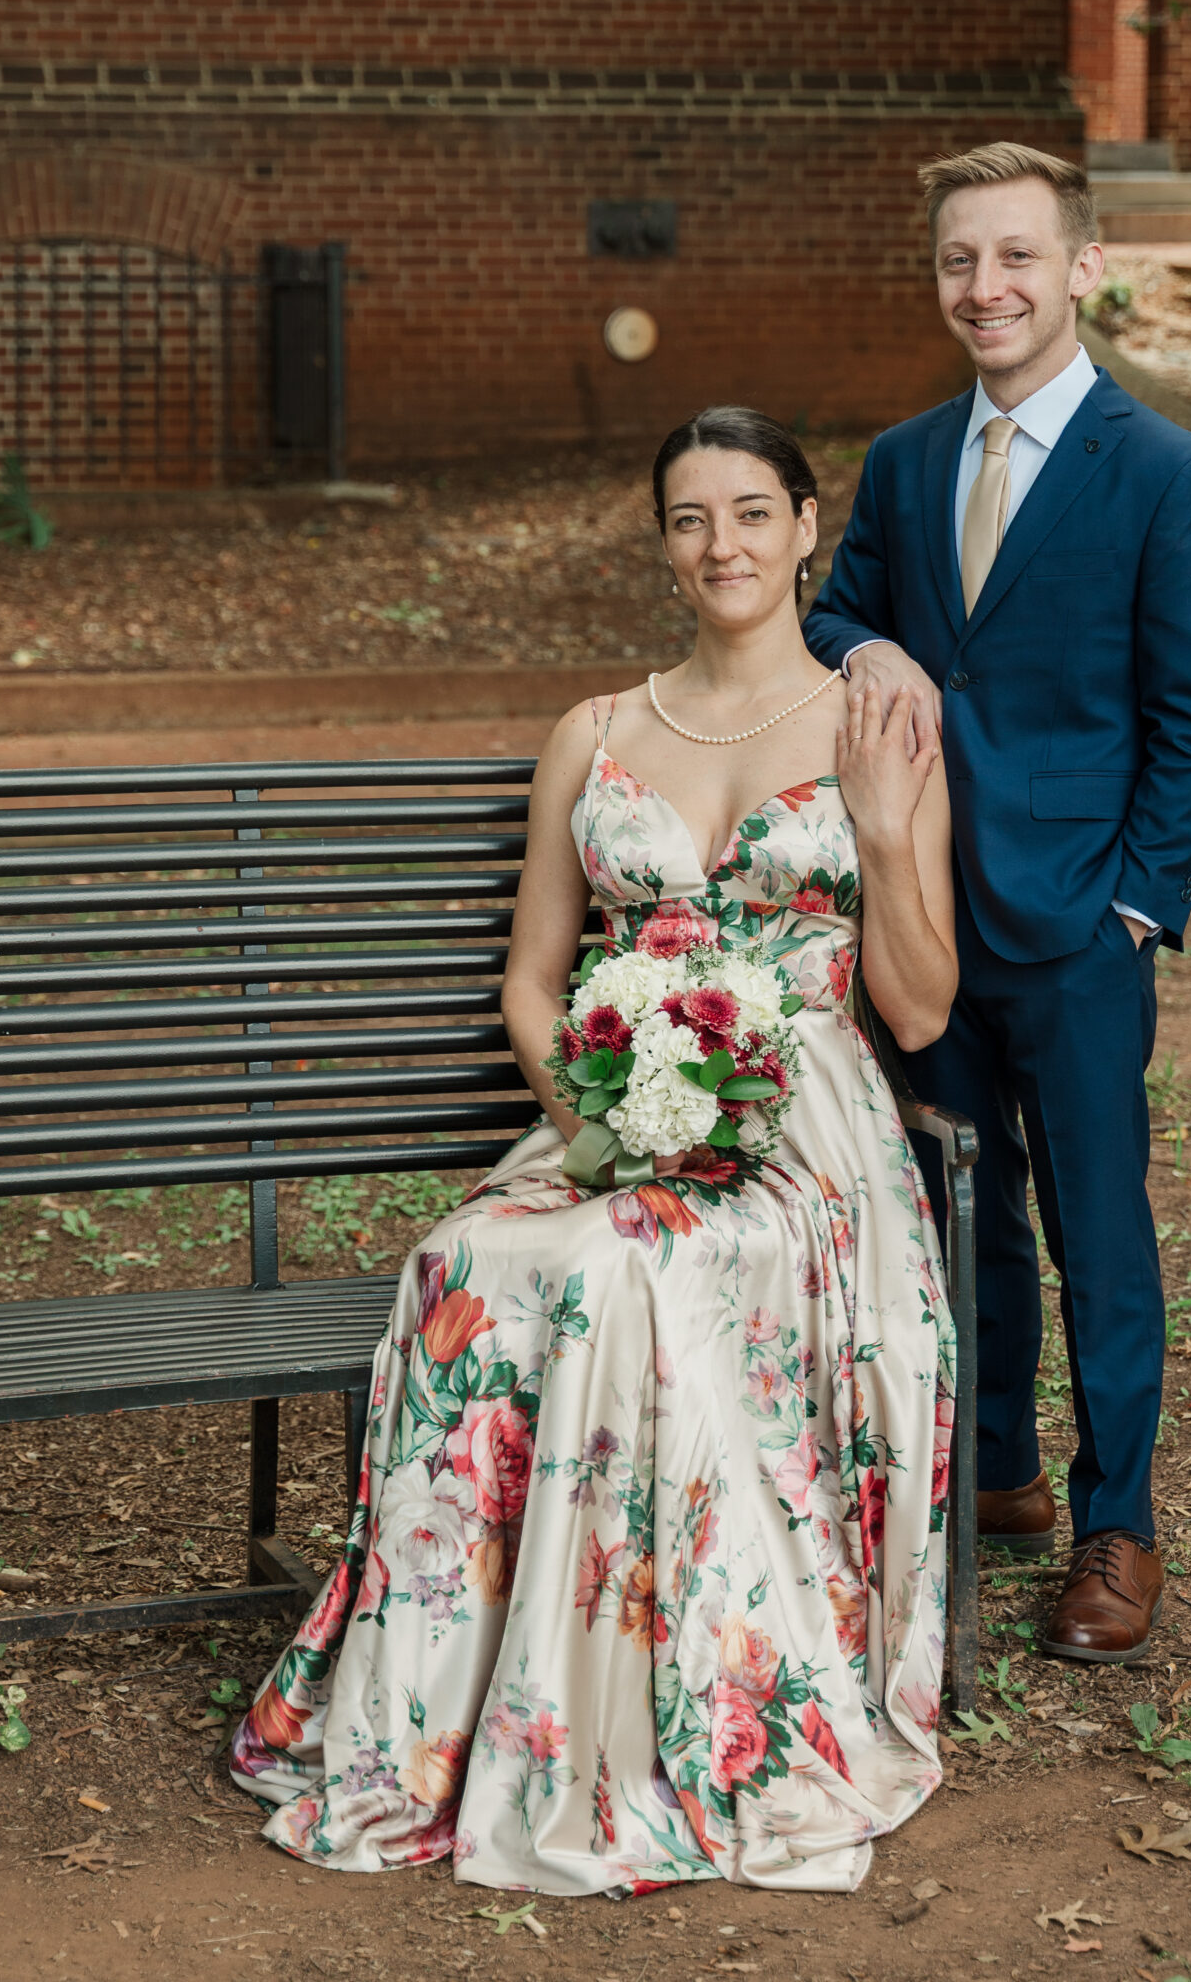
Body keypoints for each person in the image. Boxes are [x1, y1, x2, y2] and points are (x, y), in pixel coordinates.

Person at [231, 405, 959, 1893]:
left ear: (809, 527)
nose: (723, 546)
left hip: (803, 1129)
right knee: (469, 1258)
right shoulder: (599, 731)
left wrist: (884, 838)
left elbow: (922, 1005)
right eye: (692, 520)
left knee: (635, 1273)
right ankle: (442, 1715)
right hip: (621, 1106)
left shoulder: (874, 726)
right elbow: (530, 976)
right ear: (664, 545)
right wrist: (595, 1117)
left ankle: (645, 1719)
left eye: (753, 513)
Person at [805, 141, 1191, 1666]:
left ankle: (1114, 1524)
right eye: (956, 263)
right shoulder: (910, 459)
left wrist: (1136, 909)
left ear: (1083, 269)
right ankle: (990, 1471)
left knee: (1093, 1230)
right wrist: (870, 652)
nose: (982, 288)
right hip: (921, 909)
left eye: (1012, 257)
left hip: (1078, 930)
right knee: (952, 1209)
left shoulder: (1170, 475)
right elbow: (842, 607)